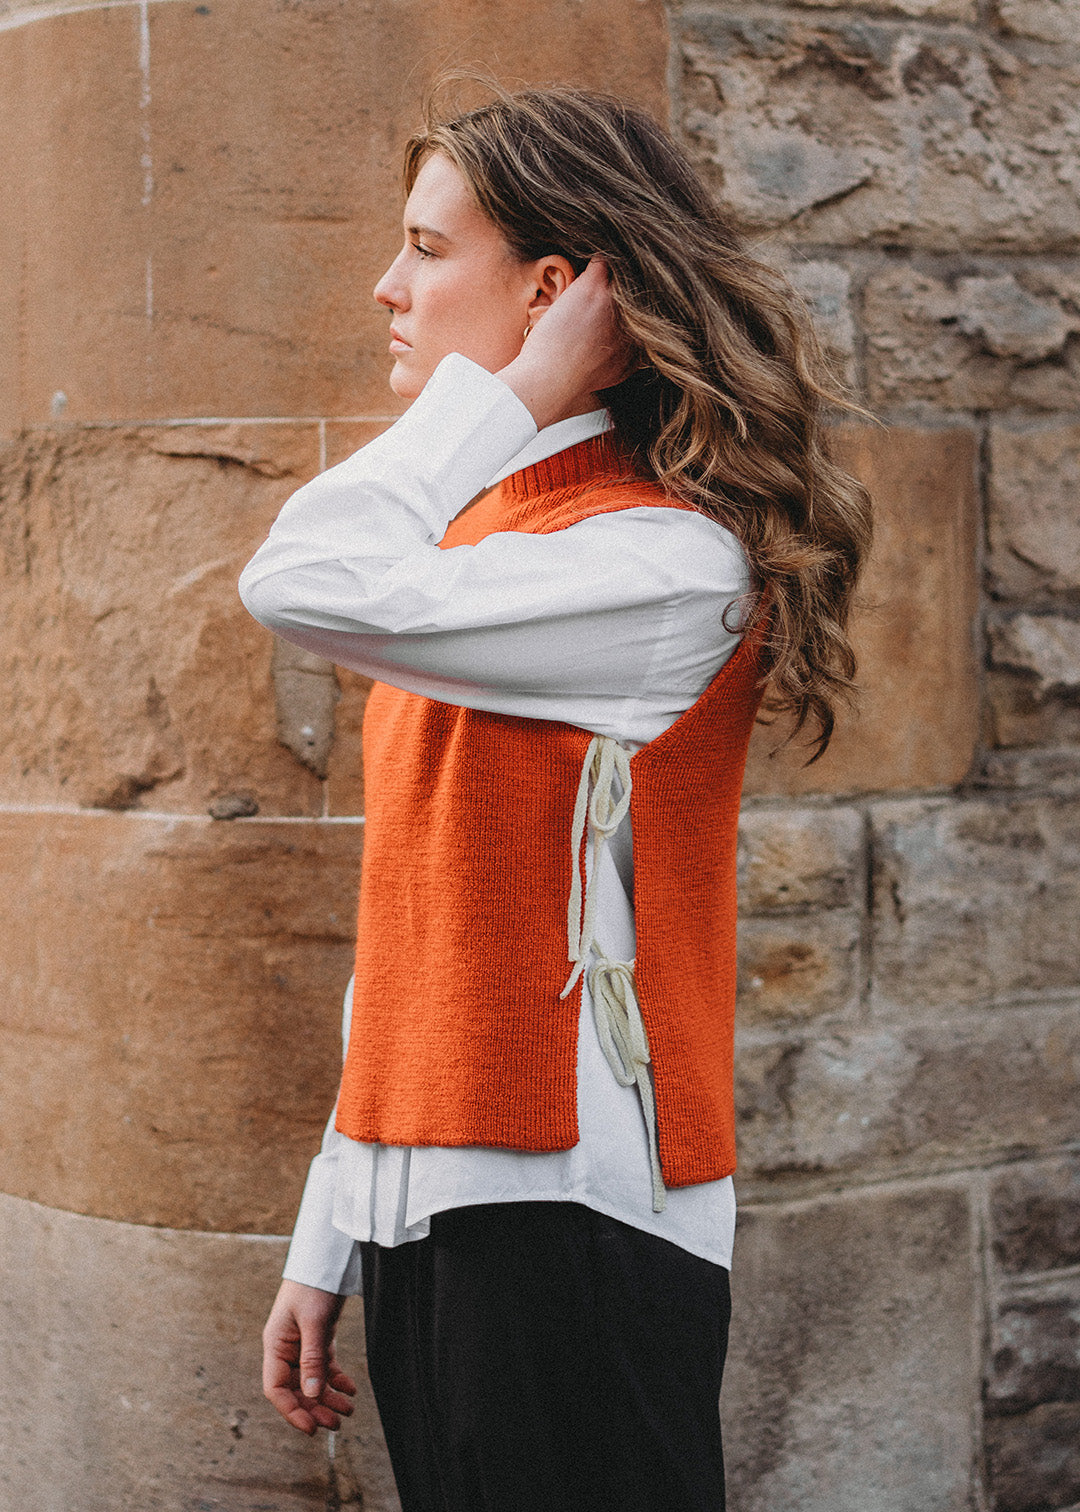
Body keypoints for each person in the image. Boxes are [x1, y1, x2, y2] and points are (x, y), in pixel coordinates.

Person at [239, 80, 872, 1512]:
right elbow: (416, 929)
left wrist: (516, 391)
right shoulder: (489, 549)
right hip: (442, 1208)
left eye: (426, 246)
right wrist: (326, 1239)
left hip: (572, 1216)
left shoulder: (659, 560)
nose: (386, 285)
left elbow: (296, 576)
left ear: (551, 290)